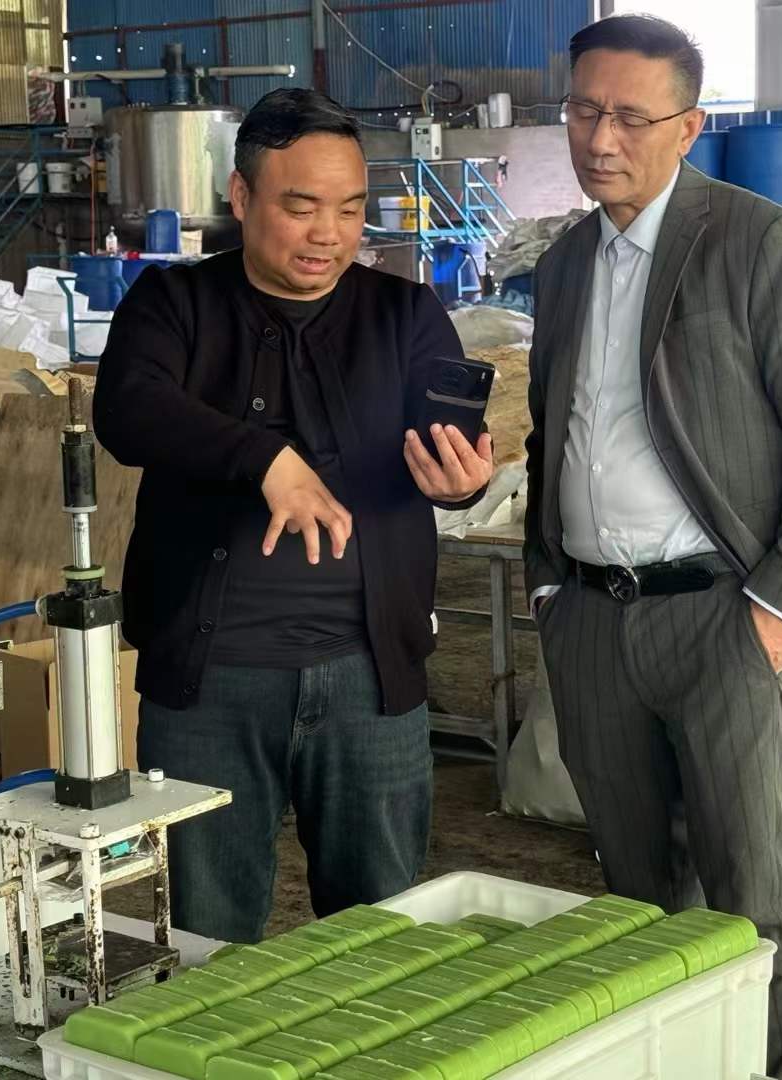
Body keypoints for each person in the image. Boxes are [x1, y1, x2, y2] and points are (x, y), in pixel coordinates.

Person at [523, 15, 782, 1080]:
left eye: (631, 117)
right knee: (634, 898)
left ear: (689, 127)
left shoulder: (758, 241)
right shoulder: (566, 262)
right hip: (592, 619)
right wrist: (548, 589)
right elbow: (554, 429)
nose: (601, 139)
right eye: (584, 110)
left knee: (750, 894)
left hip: (721, 618)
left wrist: (777, 606)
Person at [94, 88, 493, 943]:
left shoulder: (404, 315)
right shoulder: (174, 303)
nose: (329, 235)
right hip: (209, 683)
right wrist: (265, 459)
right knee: (205, 936)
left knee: (380, 932)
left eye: (350, 210)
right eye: (301, 207)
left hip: (369, 678)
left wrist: (458, 482)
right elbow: (127, 411)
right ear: (241, 198)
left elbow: (447, 450)